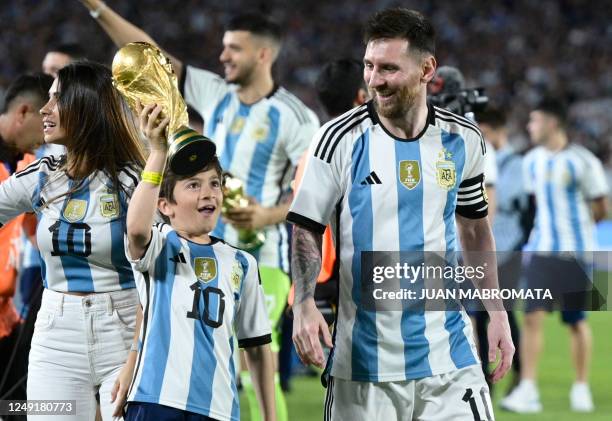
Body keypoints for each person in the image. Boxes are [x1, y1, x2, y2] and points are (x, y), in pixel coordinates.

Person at [78, 2, 319, 419]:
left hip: (261, 257)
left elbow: (313, 196)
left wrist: (267, 215)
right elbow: (151, 59)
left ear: (263, 54)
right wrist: (99, 8)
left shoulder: (297, 118)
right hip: (189, 244)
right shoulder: (215, 92)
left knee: (254, 351)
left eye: (233, 48)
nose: (222, 56)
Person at [288, 8, 513, 420]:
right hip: (363, 365)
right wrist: (302, 303)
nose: (375, 80)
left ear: (427, 69)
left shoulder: (463, 139)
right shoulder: (337, 139)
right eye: (369, 67)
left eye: (389, 68)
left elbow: (476, 230)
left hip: (449, 357)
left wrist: (496, 312)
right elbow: (304, 227)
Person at [0, 61, 145, 421]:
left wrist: (139, 349)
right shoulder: (42, 177)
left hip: (125, 329)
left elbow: (157, 271)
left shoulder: (133, 180)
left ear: (86, 107)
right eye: (47, 99)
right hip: (55, 332)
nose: (45, 110)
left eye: (57, 99)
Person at [116, 102, 275, 421]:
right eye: (193, 185)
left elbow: (256, 348)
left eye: (214, 184)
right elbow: (135, 229)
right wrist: (158, 153)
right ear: (165, 205)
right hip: (156, 400)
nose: (209, 194)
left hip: (218, 409)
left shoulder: (242, 263)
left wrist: (269, 418)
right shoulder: (158, 243)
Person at [500, 98, 608, 413]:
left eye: (534, 121)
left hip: (575, 253)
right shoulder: (531, 161)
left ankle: (581, 387)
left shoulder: (582, 161)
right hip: (542, 251)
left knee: (575, 322)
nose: (529, 127)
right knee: (532, 317)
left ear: (551, 123)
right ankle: (529, 388)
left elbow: (601, 207)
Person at [0, 73, 53, 412]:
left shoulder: (29, 165)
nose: (47, 133)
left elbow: (35, 233)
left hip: (7, 321)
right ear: (24, 112)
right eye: (45, 121)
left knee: (22, 408)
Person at [474, 107, 531, 393]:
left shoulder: (515, 164)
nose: (480, 138)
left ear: (498, 132)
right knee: (481, 314)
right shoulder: (487, 160)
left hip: (507, 250)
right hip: (482, 250)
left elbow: (507, 200)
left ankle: (520, 375)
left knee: (503, 314)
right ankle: (488, 378)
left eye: (484, 133)